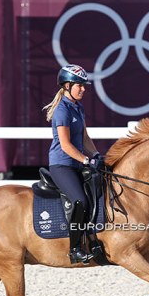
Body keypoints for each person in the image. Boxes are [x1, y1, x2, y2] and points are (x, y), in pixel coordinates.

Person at [43, 64, 104, 264]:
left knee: (97, 192)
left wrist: (95, 154)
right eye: (80, 85)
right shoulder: (62, 110)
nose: (84, 89)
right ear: (68, 85)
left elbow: (84, 136)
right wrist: (86, 160)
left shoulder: (78, 107)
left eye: (84, 86)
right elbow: (66, 145)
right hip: (62, 165)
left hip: (76, 164)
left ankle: (93, 238)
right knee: (80, 200)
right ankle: (74, 248)